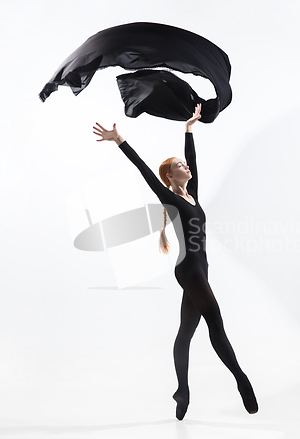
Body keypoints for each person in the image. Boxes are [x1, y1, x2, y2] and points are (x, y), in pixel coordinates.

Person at [93, 104, 258, 420]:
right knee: (215, 321)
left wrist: (188, 129)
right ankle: (241, 380)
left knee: (185, 333)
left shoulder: (192, 193)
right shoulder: (168, 197)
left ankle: (181, 390)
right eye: (181, 166)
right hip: (190, 270)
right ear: (170, 175)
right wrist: (119, 140)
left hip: (201, 269)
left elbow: (193, 160)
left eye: (186, 165)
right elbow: (143, 168)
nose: (188, 167)